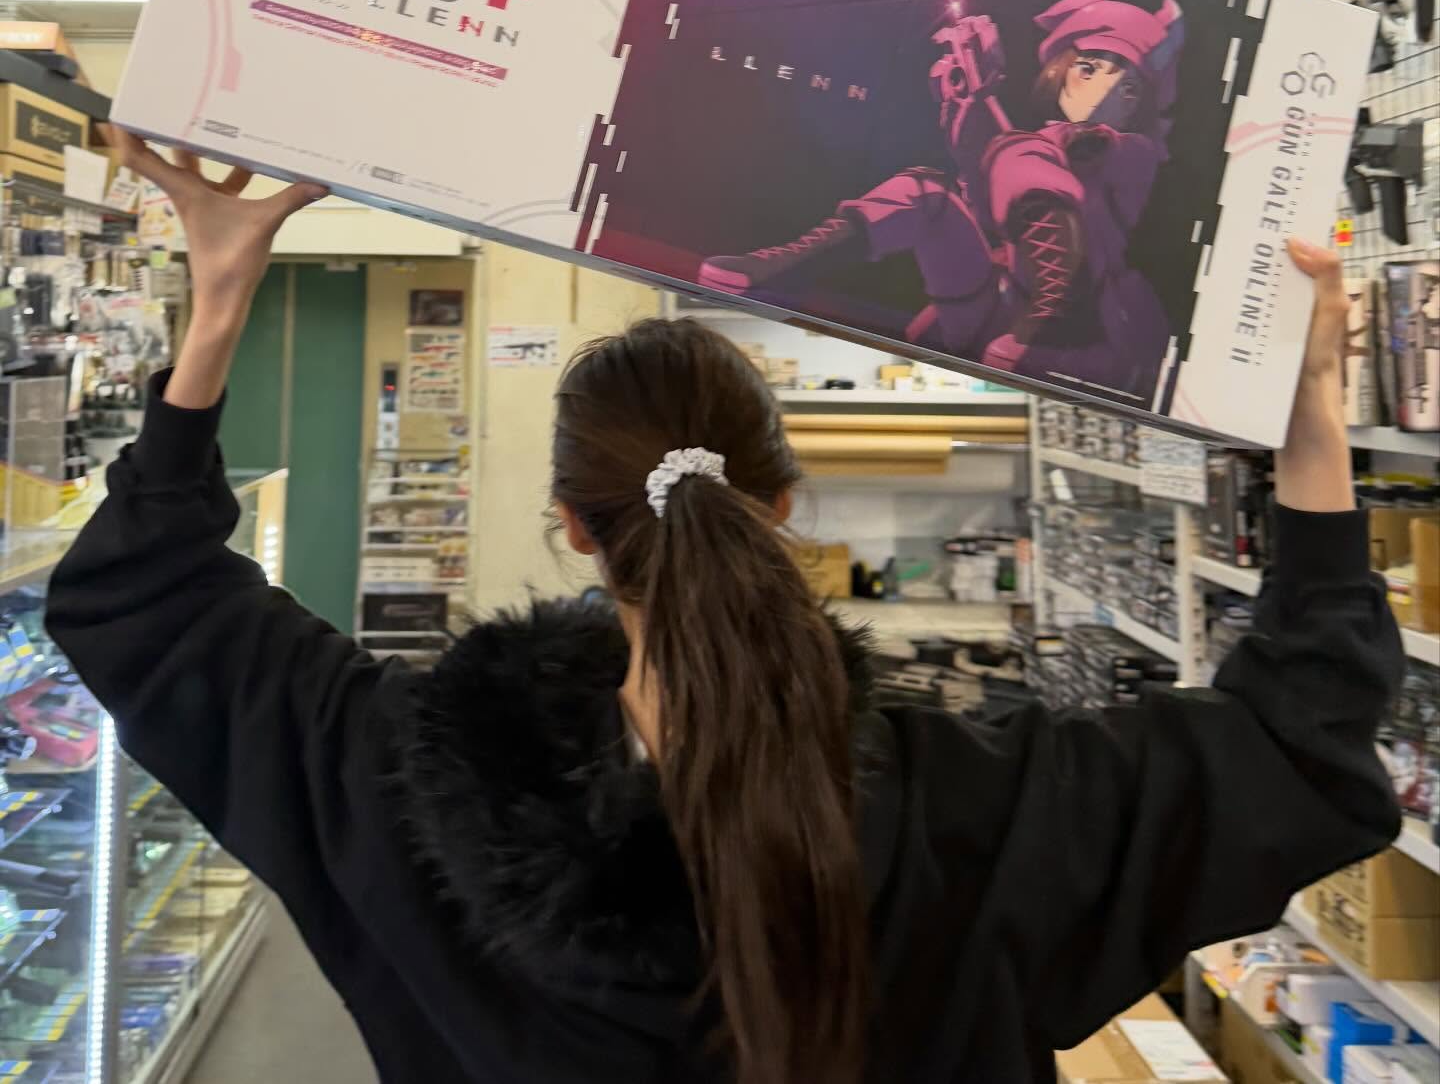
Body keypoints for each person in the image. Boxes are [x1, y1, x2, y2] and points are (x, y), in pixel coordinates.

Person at [49, 134, 1401, 1084]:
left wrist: (218, 302)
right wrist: (1310, 421)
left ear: (574, 526)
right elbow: (1303, 744)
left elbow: (140, 596)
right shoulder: (979, 809)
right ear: (782, 506)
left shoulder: (407, 786)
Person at [699, 0, 1184, 403]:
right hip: (1000, 310)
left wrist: (988, 114)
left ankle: (1056, 319)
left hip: (1083, 331)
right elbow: (994, 191)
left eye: (1128, 86)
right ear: (1060, 70)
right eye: (1088, 68)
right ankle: (791, 268)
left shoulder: (1132, 152)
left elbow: (1039, 161)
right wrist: (972, 97)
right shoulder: (1037, 146)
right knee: (926, 191)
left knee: (1019, 153)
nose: (1103, 91)